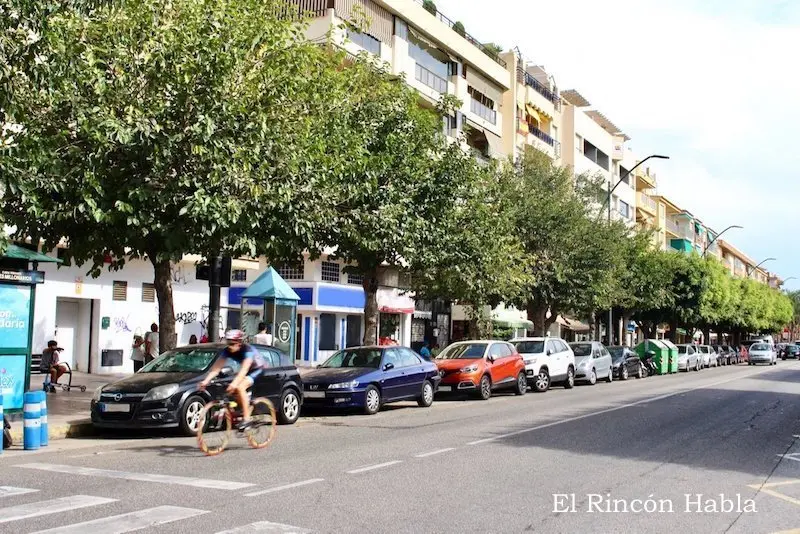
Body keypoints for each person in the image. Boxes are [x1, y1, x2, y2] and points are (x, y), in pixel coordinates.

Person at [199, 330, 267, 430]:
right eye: (228, 343)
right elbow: (216, 369)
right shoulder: (227, 351)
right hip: (247, 370)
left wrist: (235, 383)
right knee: (232, 389)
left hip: (258, 369)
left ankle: (247, 419)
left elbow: (244, 370)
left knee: (240, 386)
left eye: (232, 344)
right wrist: (206, 381)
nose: (229, 346)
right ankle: (245, 405)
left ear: (239, 343)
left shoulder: (247, 350)